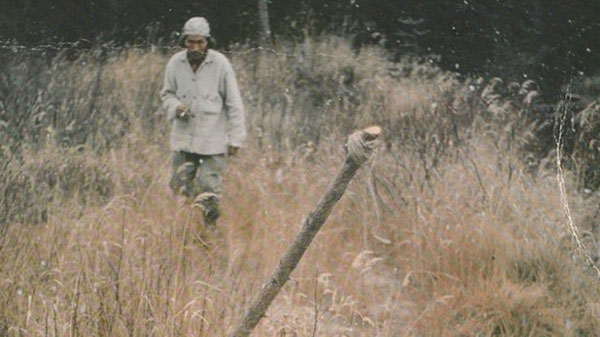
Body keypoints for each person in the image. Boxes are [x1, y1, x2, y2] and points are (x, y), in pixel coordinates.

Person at [160, 17, 246, 229]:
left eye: (200, 42)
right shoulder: (175, 64)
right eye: (191, 42)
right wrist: (176, 107)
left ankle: (209, 231)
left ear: (208, 41)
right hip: (183, 139)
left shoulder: (220, 64)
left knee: (209, 190)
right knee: (179, 187)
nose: (195, 47)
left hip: (212, 140)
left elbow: (234, 103)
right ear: (184, 41)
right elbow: (167, 95)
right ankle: (182, 229)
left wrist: (236, 139)